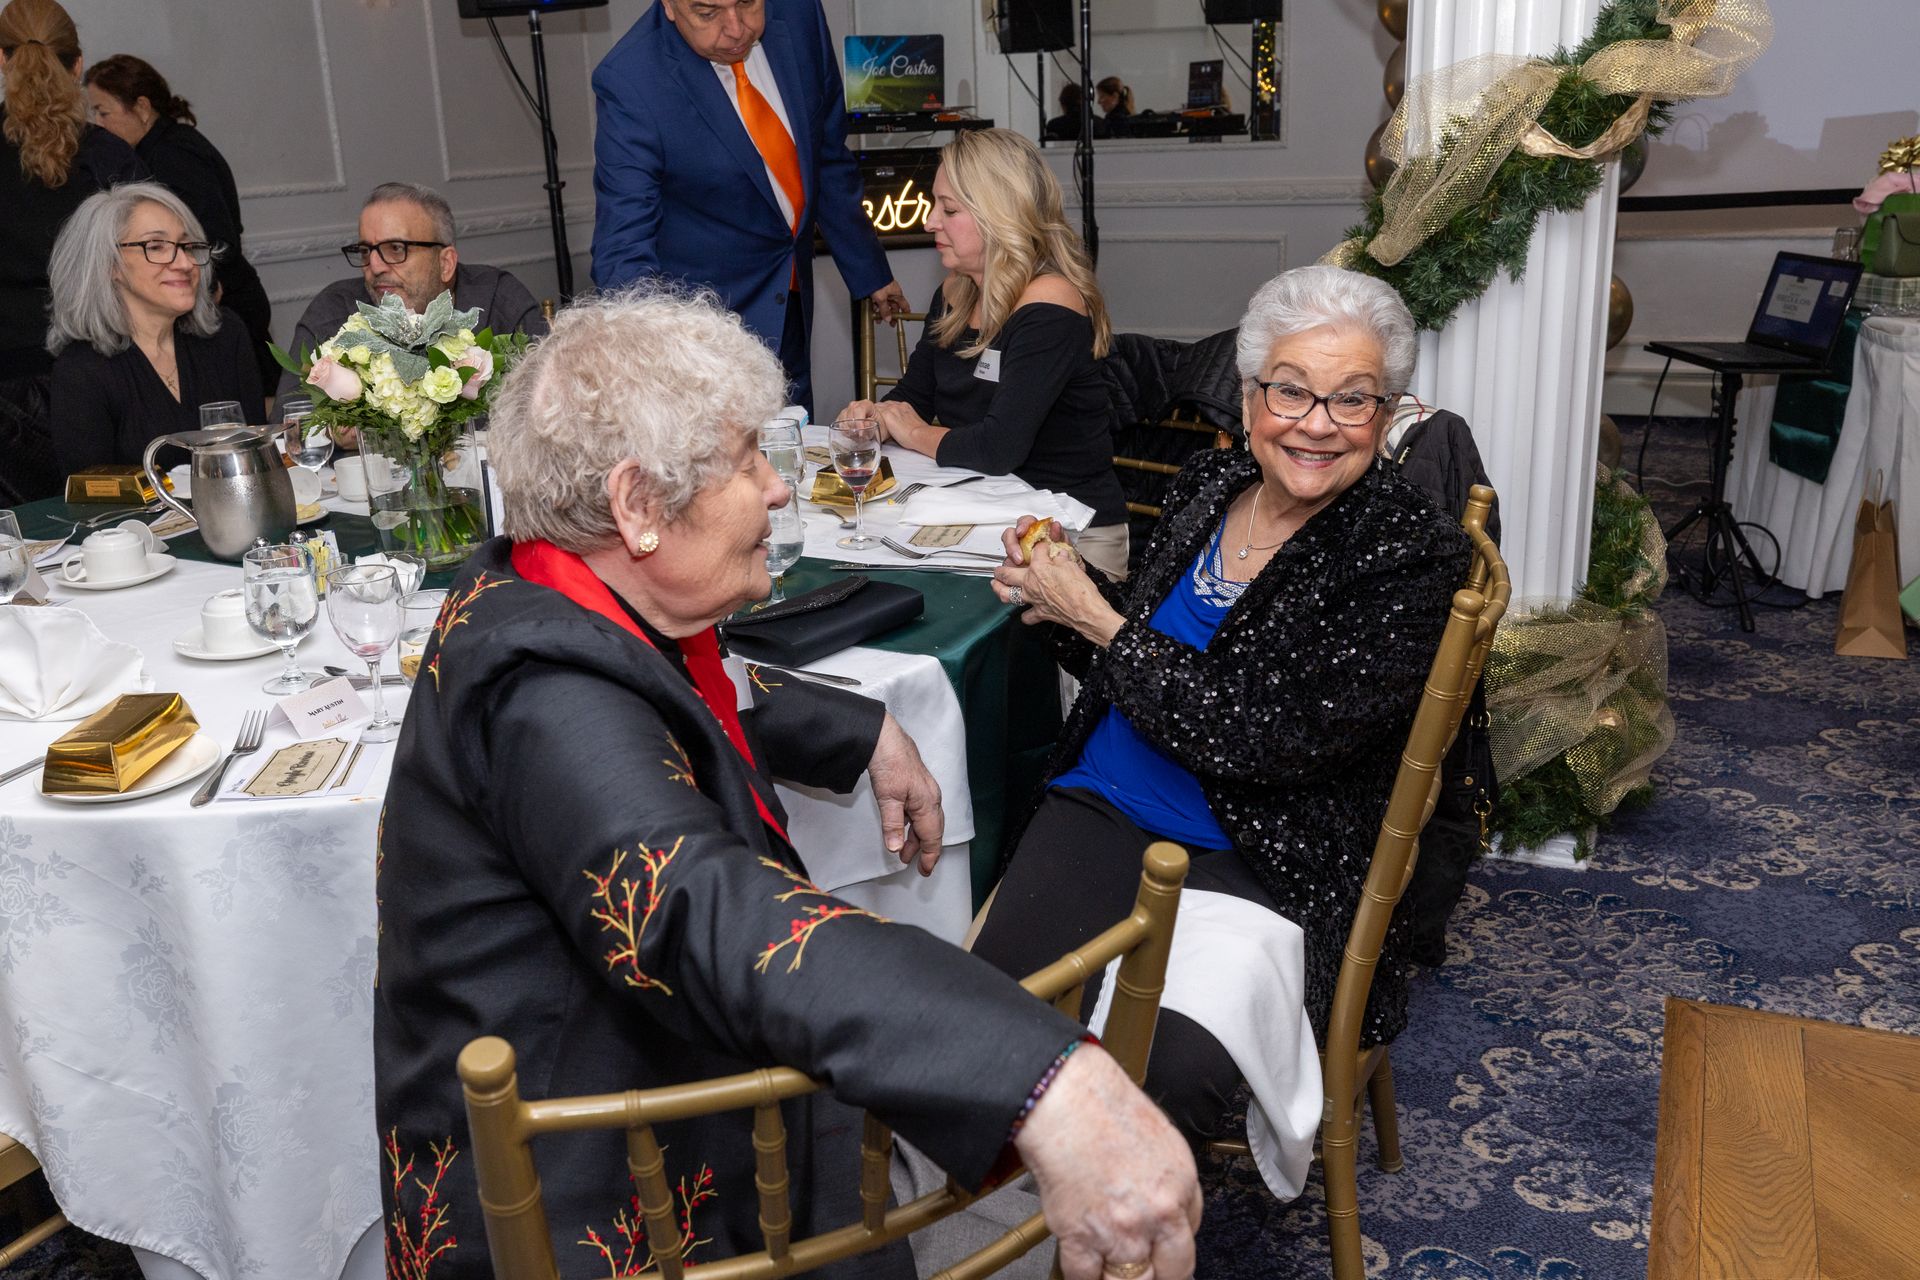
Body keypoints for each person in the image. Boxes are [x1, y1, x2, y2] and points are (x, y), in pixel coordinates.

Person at [374, 286, 1200, 1280]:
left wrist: (859, 725)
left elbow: (684, 687)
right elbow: (710, 907)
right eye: (746, 459)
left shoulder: (553, 586)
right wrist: (1050, 1078)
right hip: (594, 1191)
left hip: (660, 1092)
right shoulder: (543, 699)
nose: (775, 488)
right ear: (637, 505)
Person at [969, 266, 1471, 1184]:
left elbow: (1271, 742)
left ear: (1388, 411)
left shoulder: (1405, 553)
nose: (1317, 423)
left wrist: (1096, 618)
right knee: (996, 1024)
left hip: (1262, 843)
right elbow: (1150, 663)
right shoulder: (1210, 485)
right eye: (1290, 390)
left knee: (1159, 1080)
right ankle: (1011, 1215)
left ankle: (1114, 1229)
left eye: (1352, 400)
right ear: (1248, 397)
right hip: (1105, 800)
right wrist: (1056, 603)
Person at [834, 128, 1131, 578]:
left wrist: (912, 432)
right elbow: (916, 395)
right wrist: (876, 416)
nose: (931, 221)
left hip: (1068, 536)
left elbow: (998, 448)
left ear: (999, 215)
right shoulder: (957, 291)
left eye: (949, 209)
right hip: (986, 514)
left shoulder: (1051, 305)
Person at [589, 0, 910, 413]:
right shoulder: (631, 80)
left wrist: (868, 269)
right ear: (669, 5)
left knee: (794, 453)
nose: (737, 28)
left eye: (747, 2)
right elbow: (623, 243)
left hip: (789, 298)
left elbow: (825, 152)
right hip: (702, 336)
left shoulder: (800, 14)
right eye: (708, 14)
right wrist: (655, 366)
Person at [83, 54, 277, 392]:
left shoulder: (175, 154)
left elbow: (220, 238)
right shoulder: (164, 148)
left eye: (103, 112)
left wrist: (199, 287)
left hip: (225, 302)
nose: (98, 124)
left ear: (141, 107)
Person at [46, 181, 262, 470]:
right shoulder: (82, 371)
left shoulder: (226, 335)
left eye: (188, 246)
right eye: (156, 246)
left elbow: (259, 456)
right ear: (110, 263)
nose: (184, 263)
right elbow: (90, 497)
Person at [277, 182, 546, 402]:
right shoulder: (334, 312)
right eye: (365, 251)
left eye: (396, 248)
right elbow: (291, 422)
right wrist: (333, 433)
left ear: (445, 263)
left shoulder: (498, 300)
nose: (375, 265)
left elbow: (549, 405)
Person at [0, 0, 141, 381]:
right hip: (100, 351)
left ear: (1, 59)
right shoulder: (110, 153)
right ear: (77, 64)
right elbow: (145, 256)